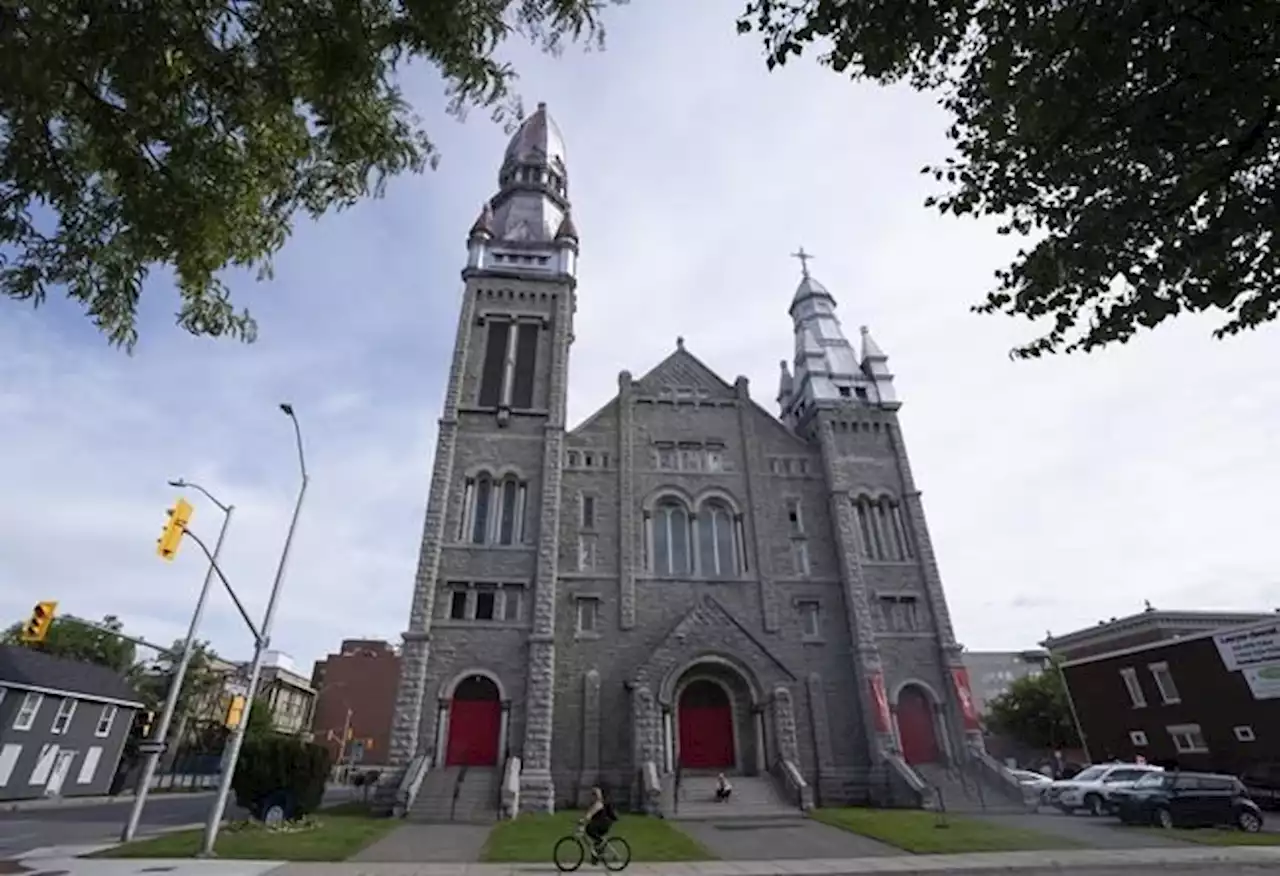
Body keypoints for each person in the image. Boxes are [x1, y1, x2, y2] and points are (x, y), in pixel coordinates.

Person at [579, 786, 617, 860]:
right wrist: (582, 819)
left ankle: (599, 847)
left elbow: (590, 814)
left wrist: (583, 820)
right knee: (590, 831)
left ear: (595, 796)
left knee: (589, 830)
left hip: (603, 825)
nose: (591, 797)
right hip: (600, 824)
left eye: (592, 795)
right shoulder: (595, 804)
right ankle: (595, 856)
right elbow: (588, 813)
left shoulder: (598, 804)